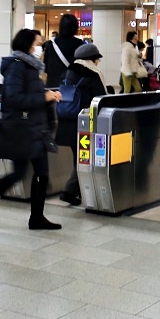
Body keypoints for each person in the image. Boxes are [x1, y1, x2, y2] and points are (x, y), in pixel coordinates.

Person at [0, 28, 62, 230]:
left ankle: (35, 217)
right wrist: (43, 97)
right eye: (38, 43)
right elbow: (12, 98)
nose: (41, 47)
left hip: (34, 128)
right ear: (28, 45)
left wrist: (48, 94)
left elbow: (28, 93)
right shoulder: (17, 68)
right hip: (23, 129)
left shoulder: (31, 67)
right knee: (22, 173)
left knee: (38, 172)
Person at [56, 42, 107, 206]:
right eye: (97, 59)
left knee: (78, 157)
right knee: (84, 158)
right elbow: (100, 99)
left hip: (66, 121)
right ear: (92, 59)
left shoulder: (66, 73)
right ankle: (70, 192)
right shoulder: (92, 75)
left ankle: (76, 192)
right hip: (84, 122)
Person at [44, 14, 84, 88]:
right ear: (75, 27)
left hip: (52, 85)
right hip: (72, 86)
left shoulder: (50, 44)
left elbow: (46, 67)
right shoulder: (79, 44)